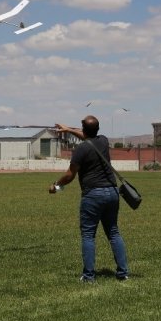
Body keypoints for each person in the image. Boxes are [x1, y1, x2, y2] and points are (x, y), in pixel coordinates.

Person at [49, 115, 129, 282]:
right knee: (113, 232)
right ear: (97, 129)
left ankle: (89, 276)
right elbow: (87, 137)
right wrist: (69, 130)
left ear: (84, 129)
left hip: (93, 194)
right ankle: (122, 273)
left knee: (88, 235)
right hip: (112, 192)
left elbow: (70, 175)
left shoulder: (81, 150)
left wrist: (55, 185)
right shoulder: (104, 141)